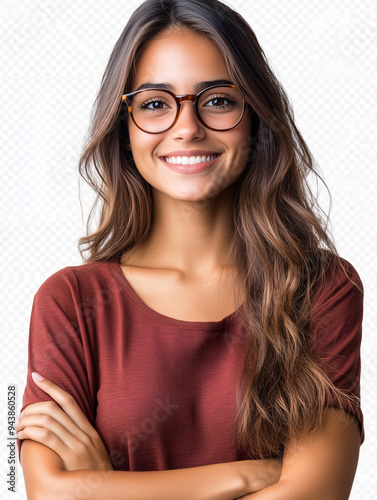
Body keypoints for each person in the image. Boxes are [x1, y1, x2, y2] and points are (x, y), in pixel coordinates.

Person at [16, 0, 364, 499]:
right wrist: (252, 475)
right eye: (156, 103)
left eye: (218, 100)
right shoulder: (70, 301)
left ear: (256, 118)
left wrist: (109, 489)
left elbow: (313, 495)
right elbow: (49, 494)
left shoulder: (320, 287)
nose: (187, 127)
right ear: (125, 126)